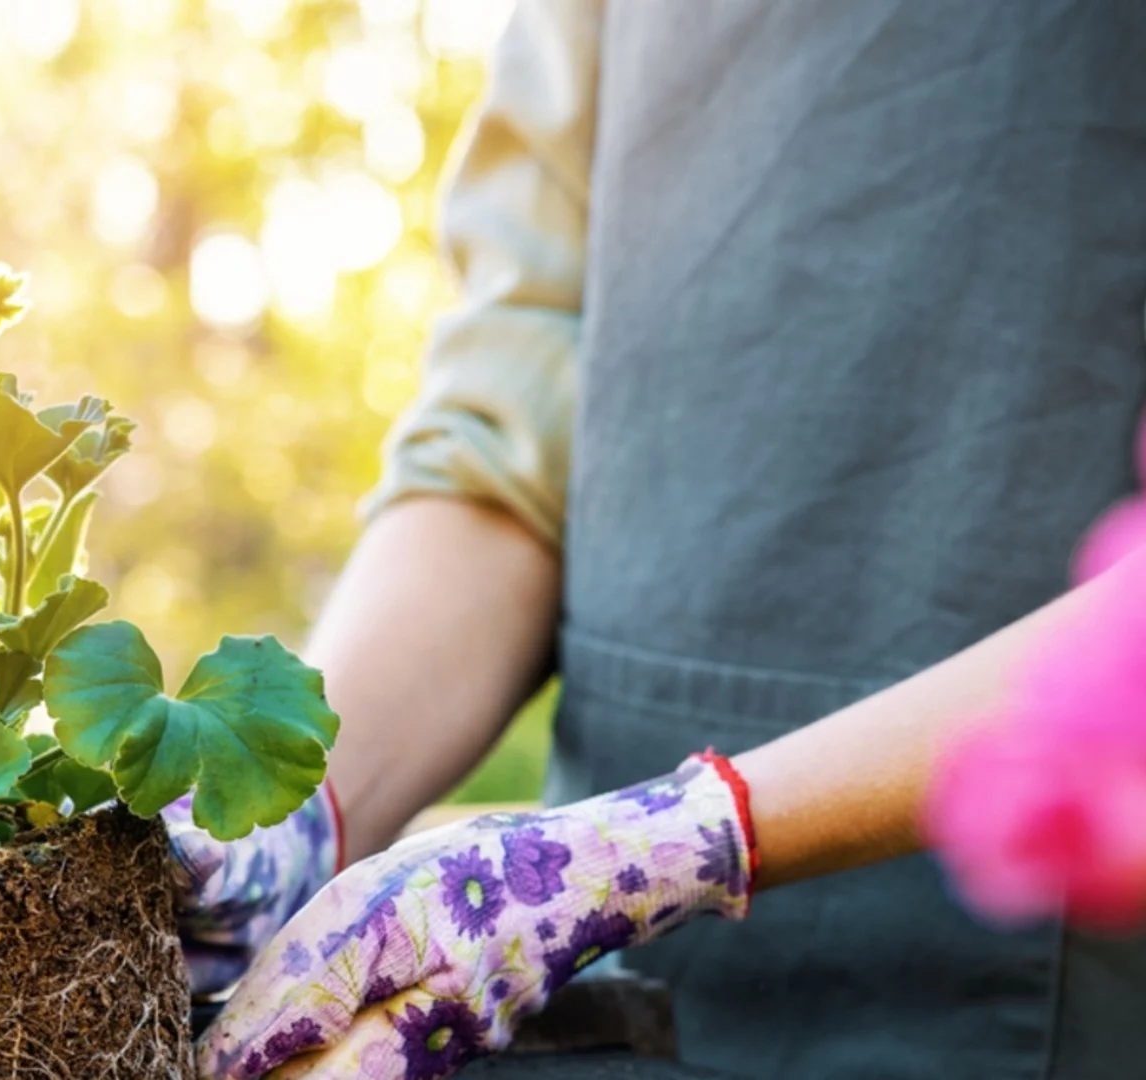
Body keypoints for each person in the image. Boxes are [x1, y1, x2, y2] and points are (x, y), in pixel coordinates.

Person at [168, 3, 1146, 1078]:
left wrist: (659, 849)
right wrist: (293, 810)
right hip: (605, 998)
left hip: (1041, 984)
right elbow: (507, 447)